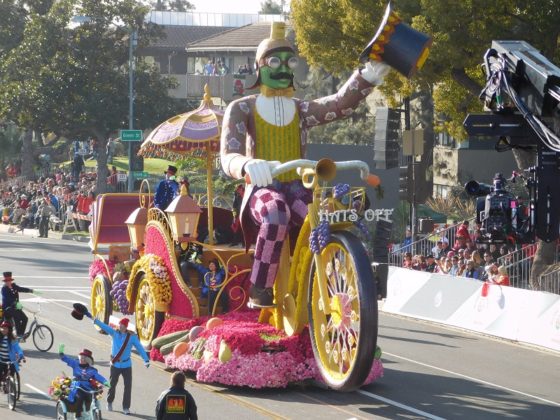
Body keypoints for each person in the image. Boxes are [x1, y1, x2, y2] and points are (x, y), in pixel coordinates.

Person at [220, 22, 390, 307]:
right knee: (275, 214)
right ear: (259, 66)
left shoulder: (300, 109)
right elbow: (228, 155)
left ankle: (329, 280)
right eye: (275, 61)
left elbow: (337, 105)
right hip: (263, 188)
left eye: (290, 61)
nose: (284, 68)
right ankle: (260, 288)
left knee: (327, 214)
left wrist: (367, 77)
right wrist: (246, 165)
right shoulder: (242, 108)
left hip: (298, 186)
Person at [87, 314, 150, 415]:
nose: (121, 327)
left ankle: (126, 407)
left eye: (123, 325)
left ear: (126, 327)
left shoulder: (131, 337)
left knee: (128, 386)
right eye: (120, 325)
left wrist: (146, 359)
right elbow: (104, 326)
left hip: (126, 365)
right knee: (112, 384)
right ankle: (110, 402)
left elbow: (139, 348)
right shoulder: (114, 333)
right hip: (115, 364)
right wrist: (93, 319)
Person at [59, 345, 108, 419]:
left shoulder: (92, 370)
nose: (81, 359)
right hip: (77, 386)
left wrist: (105, 382)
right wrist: (61, 353)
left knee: (92, 399)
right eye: (81, 357)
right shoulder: (75, 363)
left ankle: (91, 414)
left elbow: (97, 376)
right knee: (80, 397)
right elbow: (66, 359)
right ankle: (78, 415)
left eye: (83, 358)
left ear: (87, 360)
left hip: (88, 387)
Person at [1, 272, 34, 338]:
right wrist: (15, 303)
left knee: (25, 318)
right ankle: (19, 334)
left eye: (9, 280)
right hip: (8, 308)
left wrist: (29, 290)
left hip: (15, 307)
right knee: (17, 317)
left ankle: (21, 334)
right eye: (7, 281)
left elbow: (20, 289)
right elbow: (8, 299)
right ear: (5, 281)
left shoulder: (14, 286)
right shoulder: (4, 289)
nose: (8, 282)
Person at [0, 321, 25, 387]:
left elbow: (18, 348)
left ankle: (10, 385)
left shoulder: (12, 339)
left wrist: (21, 355)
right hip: (1, 360)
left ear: (9, 329)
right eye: (2, 328)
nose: (4, 330)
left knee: (12, 372)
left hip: (11, 360)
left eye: (6, 328)